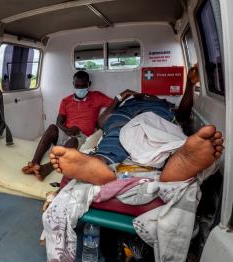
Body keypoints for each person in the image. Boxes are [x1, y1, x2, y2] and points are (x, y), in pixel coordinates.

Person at [49, 66, 224, 184]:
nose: (145, 96)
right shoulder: (126, 103)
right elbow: (102, 123)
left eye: (149, 95)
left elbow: (182, 115)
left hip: (156, 116)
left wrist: (189, 84)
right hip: (123, 115)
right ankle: (96, 163)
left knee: (162, 133)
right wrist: (121, 98)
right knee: (114, 133)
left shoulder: (164, 103)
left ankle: (178, 160)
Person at [21, 70, 120, 181]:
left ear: (89, 84)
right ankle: (34, 163)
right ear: (73, 84)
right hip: (66, 132)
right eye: (77, 86)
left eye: (83, 86)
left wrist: (122, 96)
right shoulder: (66, 101)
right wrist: (67, 130)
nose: (80, 89)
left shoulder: (97, 96)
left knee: (72, 140)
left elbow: (114, 105)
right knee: (52, 128)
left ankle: (47, 168)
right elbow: (59, 122)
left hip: (81, 136)